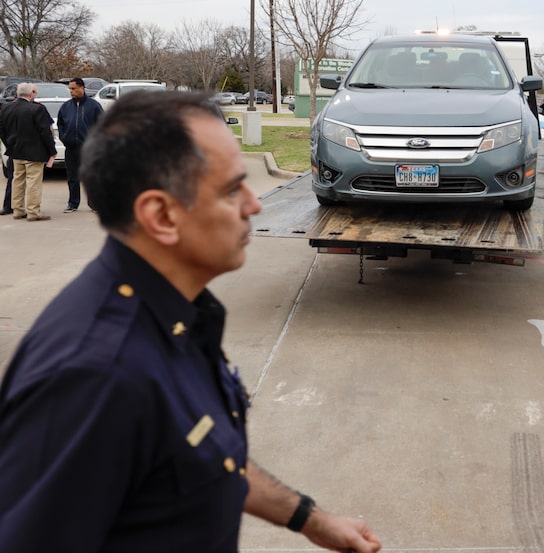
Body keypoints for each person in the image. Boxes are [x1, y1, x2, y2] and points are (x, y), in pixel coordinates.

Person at [0, 91, 383, 553]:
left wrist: (311, 519)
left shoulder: (176, 311)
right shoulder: (95, 375)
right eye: (230, 189)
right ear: (161, 216)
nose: (254, 204)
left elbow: (205, 453)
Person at [2, 82, 56, 221]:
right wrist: (52, 150)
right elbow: (45, 132)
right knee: (33, 182)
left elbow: (2, 131)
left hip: (15, 151)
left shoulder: (6, 108)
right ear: (31, 93)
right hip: (34, 153)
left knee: (17, 180)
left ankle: (18, 210)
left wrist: (9, 145)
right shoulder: (36, 109)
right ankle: (33, 212)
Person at [57, 77, 104, 212]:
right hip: (71, 147)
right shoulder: (66, 107)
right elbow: (61, 124)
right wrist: (63, 137)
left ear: (82, 88)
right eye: (70, 89)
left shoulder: (93, 106)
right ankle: (73, 203)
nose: (71, 91)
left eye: (73, 88)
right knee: (72, 177)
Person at [0, 89, 17, 215]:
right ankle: (11, 206)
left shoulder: (5, 108)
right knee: (15, 179)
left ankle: (10, 206)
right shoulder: (5, 109)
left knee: (14, 179)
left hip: (15, 149)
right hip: (17, 150)